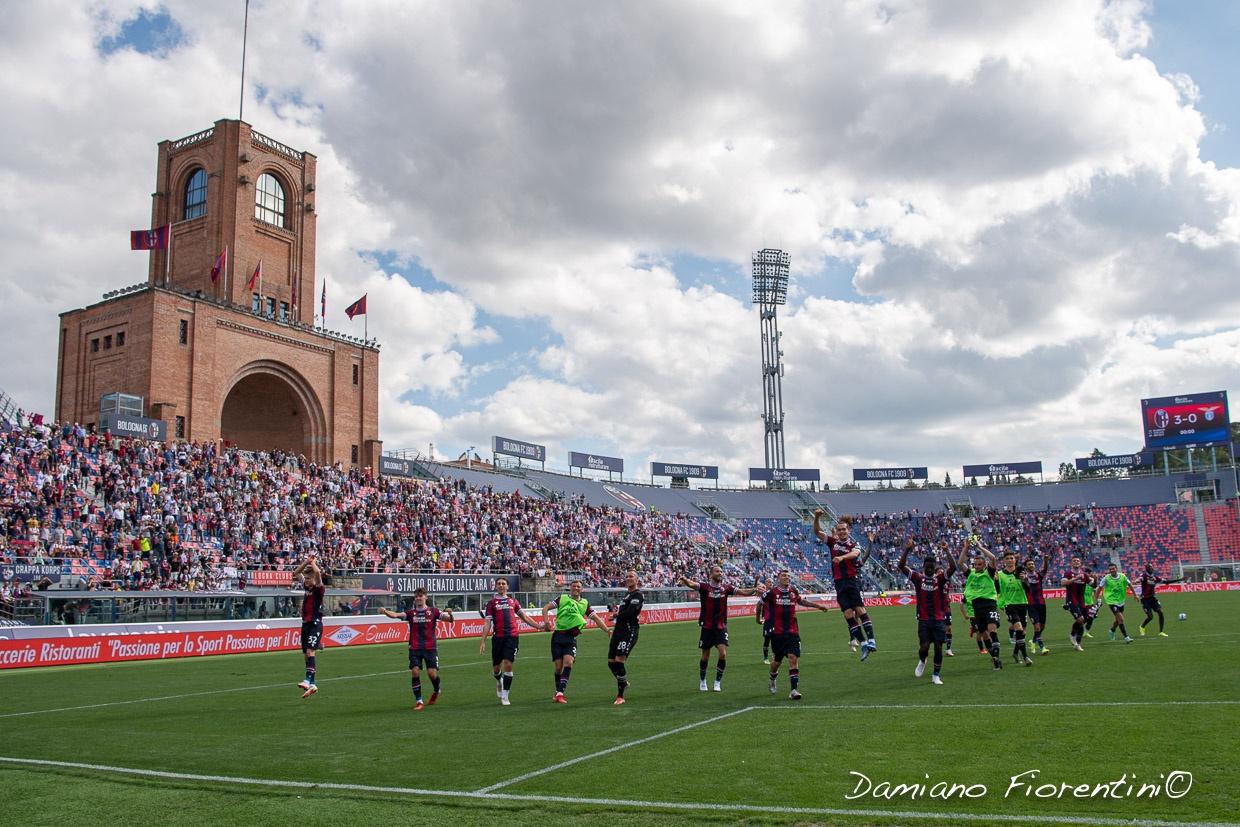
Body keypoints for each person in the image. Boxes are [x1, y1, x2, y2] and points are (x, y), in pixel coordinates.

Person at [676, 566, 760, 691]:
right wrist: (686, 580)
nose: (720, 573)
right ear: (711, 575)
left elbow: (743, 592)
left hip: (721, 626)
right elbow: (693, 585)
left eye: (721, 571)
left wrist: (754, 589)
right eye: (717, 571)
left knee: (723, 654)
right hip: (707, 627)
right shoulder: (705, 587)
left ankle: (717, 682)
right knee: (705, 656)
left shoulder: (726, 588)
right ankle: (703, 680)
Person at [813, 511, 877, 660]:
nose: (842, 531)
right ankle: (863, 644)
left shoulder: (854, 545)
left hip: (851, 581)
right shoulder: (832, 542)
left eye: (844, 529)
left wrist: (841, 557)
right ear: (837, 530)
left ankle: (872, 640)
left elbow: (856, 555)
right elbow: (817, 531)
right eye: (839, 529)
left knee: (860, 610)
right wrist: (816, 517)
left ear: (848, 530)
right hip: (839, 583)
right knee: (848, 614)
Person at [756, 569, 829, 700]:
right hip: (777, 633)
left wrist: (818, 606)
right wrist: (757, 619)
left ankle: (794, 690)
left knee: (793, 658)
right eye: (784, 575)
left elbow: (801, 601)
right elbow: (759, 603)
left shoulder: (793, 591)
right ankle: (772, 678)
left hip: (792, 632)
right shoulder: (772, 593)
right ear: (778, 578)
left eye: (788, 576)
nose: (787, 577)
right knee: (776, 662)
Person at [380, 587, 454, 710]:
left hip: (430, 647)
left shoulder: (433, 611)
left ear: (426, 597)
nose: (419, 598)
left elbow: (450, 621)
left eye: (421, 596)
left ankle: (437, 690)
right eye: (416, 596)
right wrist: (385, 611)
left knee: (432, 673)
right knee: (415, 671)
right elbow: (396, 615)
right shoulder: (410, 613)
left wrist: (450, 614)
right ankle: (419, 701)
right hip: (414, 647)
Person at [542, 579, 611, 704]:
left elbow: (595, 618)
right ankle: (558, 690)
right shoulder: (562, 598)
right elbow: (546, 608)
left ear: (582, 589)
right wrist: (546, 622)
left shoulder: (584, 603)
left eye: (578, 586)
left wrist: (606, 630)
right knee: (558, 667)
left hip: (570, 638)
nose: (576, 588)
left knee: (568, 663)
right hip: (558, 636)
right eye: (574, 586)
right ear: (571, 588)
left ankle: (560, 693)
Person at [898, 538, 956, 685]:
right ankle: (922, 660)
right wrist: (907, 549)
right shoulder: (918, 578)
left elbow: (953, 567)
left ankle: (936, 675)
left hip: (938, 619)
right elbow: (901, 565)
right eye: (927, 566)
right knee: (924, 647)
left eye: (932, 566)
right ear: (924, 567)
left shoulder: (940, 579)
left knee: (938, 646)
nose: (930, 568)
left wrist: (947, 550)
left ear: (935, 566)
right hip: (923, 619)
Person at [479, 576, 545, 706]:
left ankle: (505, 695)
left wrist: (539, 626)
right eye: (499, 584)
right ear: (496, 586)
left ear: (507, 587)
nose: (501, 585)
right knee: (496, 668)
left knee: (508, 664)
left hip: (512, 637)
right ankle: (499, 681)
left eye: (503, 583)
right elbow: (487, 623)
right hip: (498, 638)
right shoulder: (491, 603)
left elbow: (524, 616)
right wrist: (483, 641)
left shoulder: (513, 601)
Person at [956, 537, 1003, 670]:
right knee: (983, 634)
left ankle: (997, 657)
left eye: (979, 564)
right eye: (975, 564)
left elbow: (993, 559)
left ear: (984, 565)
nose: (976, 566)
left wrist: (979, 547)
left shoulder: (989, 573)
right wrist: (965, 547)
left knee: (992, 630)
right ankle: (994, 657)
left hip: (989, 604)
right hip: (976, 606)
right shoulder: (971, 574)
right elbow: (960, 563)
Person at [608, 570, 644, 705]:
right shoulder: (626, 596)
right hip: (618, 631)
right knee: (610, 662)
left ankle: (620, 695)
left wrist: (616, 615)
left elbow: (630, 613)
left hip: (629, 631)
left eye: (631, 576)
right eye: (627, 576)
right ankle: (623, 682)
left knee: (619, 661)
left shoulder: (638, 595)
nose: (628, 578)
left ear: (636, 580)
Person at [291, 554, 324, 698]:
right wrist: (306, 562)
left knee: (310, 651)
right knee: (306, 656)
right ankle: (313, 684)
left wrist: (313, 562)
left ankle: (307, 680)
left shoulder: (319, 589)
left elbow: (317, 572)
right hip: (305, 624)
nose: (307, 580)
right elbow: (295, 573)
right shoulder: (307, 587)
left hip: (315, 624)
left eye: (309, 578)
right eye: (307, 578)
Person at [997, 551, 1033, 666]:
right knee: (1019, 629)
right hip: (1009, 605)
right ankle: (1026, 657)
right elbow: (997, 590)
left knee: (1023, 632)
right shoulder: (1000, 574)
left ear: (1015, 560)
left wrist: (1023, 579)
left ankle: (1015, 653)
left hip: (1022, 603)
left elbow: (1028, 589)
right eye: (1007, 558)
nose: (1009, 560)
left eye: (1011, 558)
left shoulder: (1021, 572)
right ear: (1004, 561)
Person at [1095, 563, 1135, 643]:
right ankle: (1126, 637)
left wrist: (1135, 595)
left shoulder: (1122, 576)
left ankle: (1112, 630)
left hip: (1121, 600)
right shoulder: (1106, 578)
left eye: (1113, 568)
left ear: (1116, 568)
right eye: (1110, 569)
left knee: (1118, 620)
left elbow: (1130, 584)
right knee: (1121, 619)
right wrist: (1096, 598)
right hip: (1111, 601)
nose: (1112, 570)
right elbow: (1099, 588)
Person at [1138, 564, 1181, 637]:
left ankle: (1161, 632)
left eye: (1152, 567)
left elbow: (1166, 582)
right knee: (1150, 617)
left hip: (1153, 599)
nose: (1151, 568)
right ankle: (1142, 626)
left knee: (1160, 612)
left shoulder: (1155, 578)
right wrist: (1137, 581)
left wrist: (1179, 580)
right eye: (1149, 567)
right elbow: (1140, 579)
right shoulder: (1144, 576)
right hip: (1145, 600)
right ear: (1146, 569)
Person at [1061, 556, 1091, 651]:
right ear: (1071, 563)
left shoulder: (1084, 575)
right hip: (1071, 600)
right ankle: (1077, 643)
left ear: (1080, 563)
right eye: (1074, 561)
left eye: (1078, 561)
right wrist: (1075, 578)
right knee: (1081, 619)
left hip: (1081, 601)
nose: (1076, 562)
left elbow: (1093, 584)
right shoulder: (1068, 573)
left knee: (1085, 618)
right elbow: (1063, 583)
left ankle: (1073, 634)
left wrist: (1095, 579)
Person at [1023, 556, 1051, 655]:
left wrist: (1046, 561)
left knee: (1042, 626)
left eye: (1032, 564)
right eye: (1029, 564)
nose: (1031, 565)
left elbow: (1045, 570)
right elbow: (1026, 586)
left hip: (1042, 604)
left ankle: (1033, 641)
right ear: (1025, 567)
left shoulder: (1038, 575)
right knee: (1037, 627)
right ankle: (1042, 647)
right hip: (1031, 605)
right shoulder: (1024, 577)